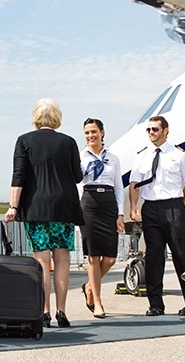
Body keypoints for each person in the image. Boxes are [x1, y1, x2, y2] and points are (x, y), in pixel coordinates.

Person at [4, 98, 83, 328]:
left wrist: (13, 207)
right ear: (57, 116)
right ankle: (62, 312)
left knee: (41, 261)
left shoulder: (24, 141)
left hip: (36, 209)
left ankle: (45, 312)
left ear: (36, 116)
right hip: (64, 209)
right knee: (62, 260)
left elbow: (18, 176)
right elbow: (78, 177)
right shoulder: (69, 142)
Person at [129, 115, 185, 317]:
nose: (151, 133)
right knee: (153, 257)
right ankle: (155, 305)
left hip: (173, 207)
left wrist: (178, 204)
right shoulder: (141, 156)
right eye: (148, 130)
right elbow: (135, 184)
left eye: (155, 129)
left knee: (183, 256)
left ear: (165, 130)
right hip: (150, 209)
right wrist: (134, 205)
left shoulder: (179, 155)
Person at [79, 118, 125, 319]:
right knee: (93, 256)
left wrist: (120, 213)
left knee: (111, 258)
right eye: (87, 133)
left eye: (94, 132)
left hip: (108, 204)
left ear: (102, 132)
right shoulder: (80, 157)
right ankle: (97, 301)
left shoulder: (113, 158)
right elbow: (78, 182)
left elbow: (118, 188)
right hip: (89, 203)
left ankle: (89, 286)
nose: (91, 136)